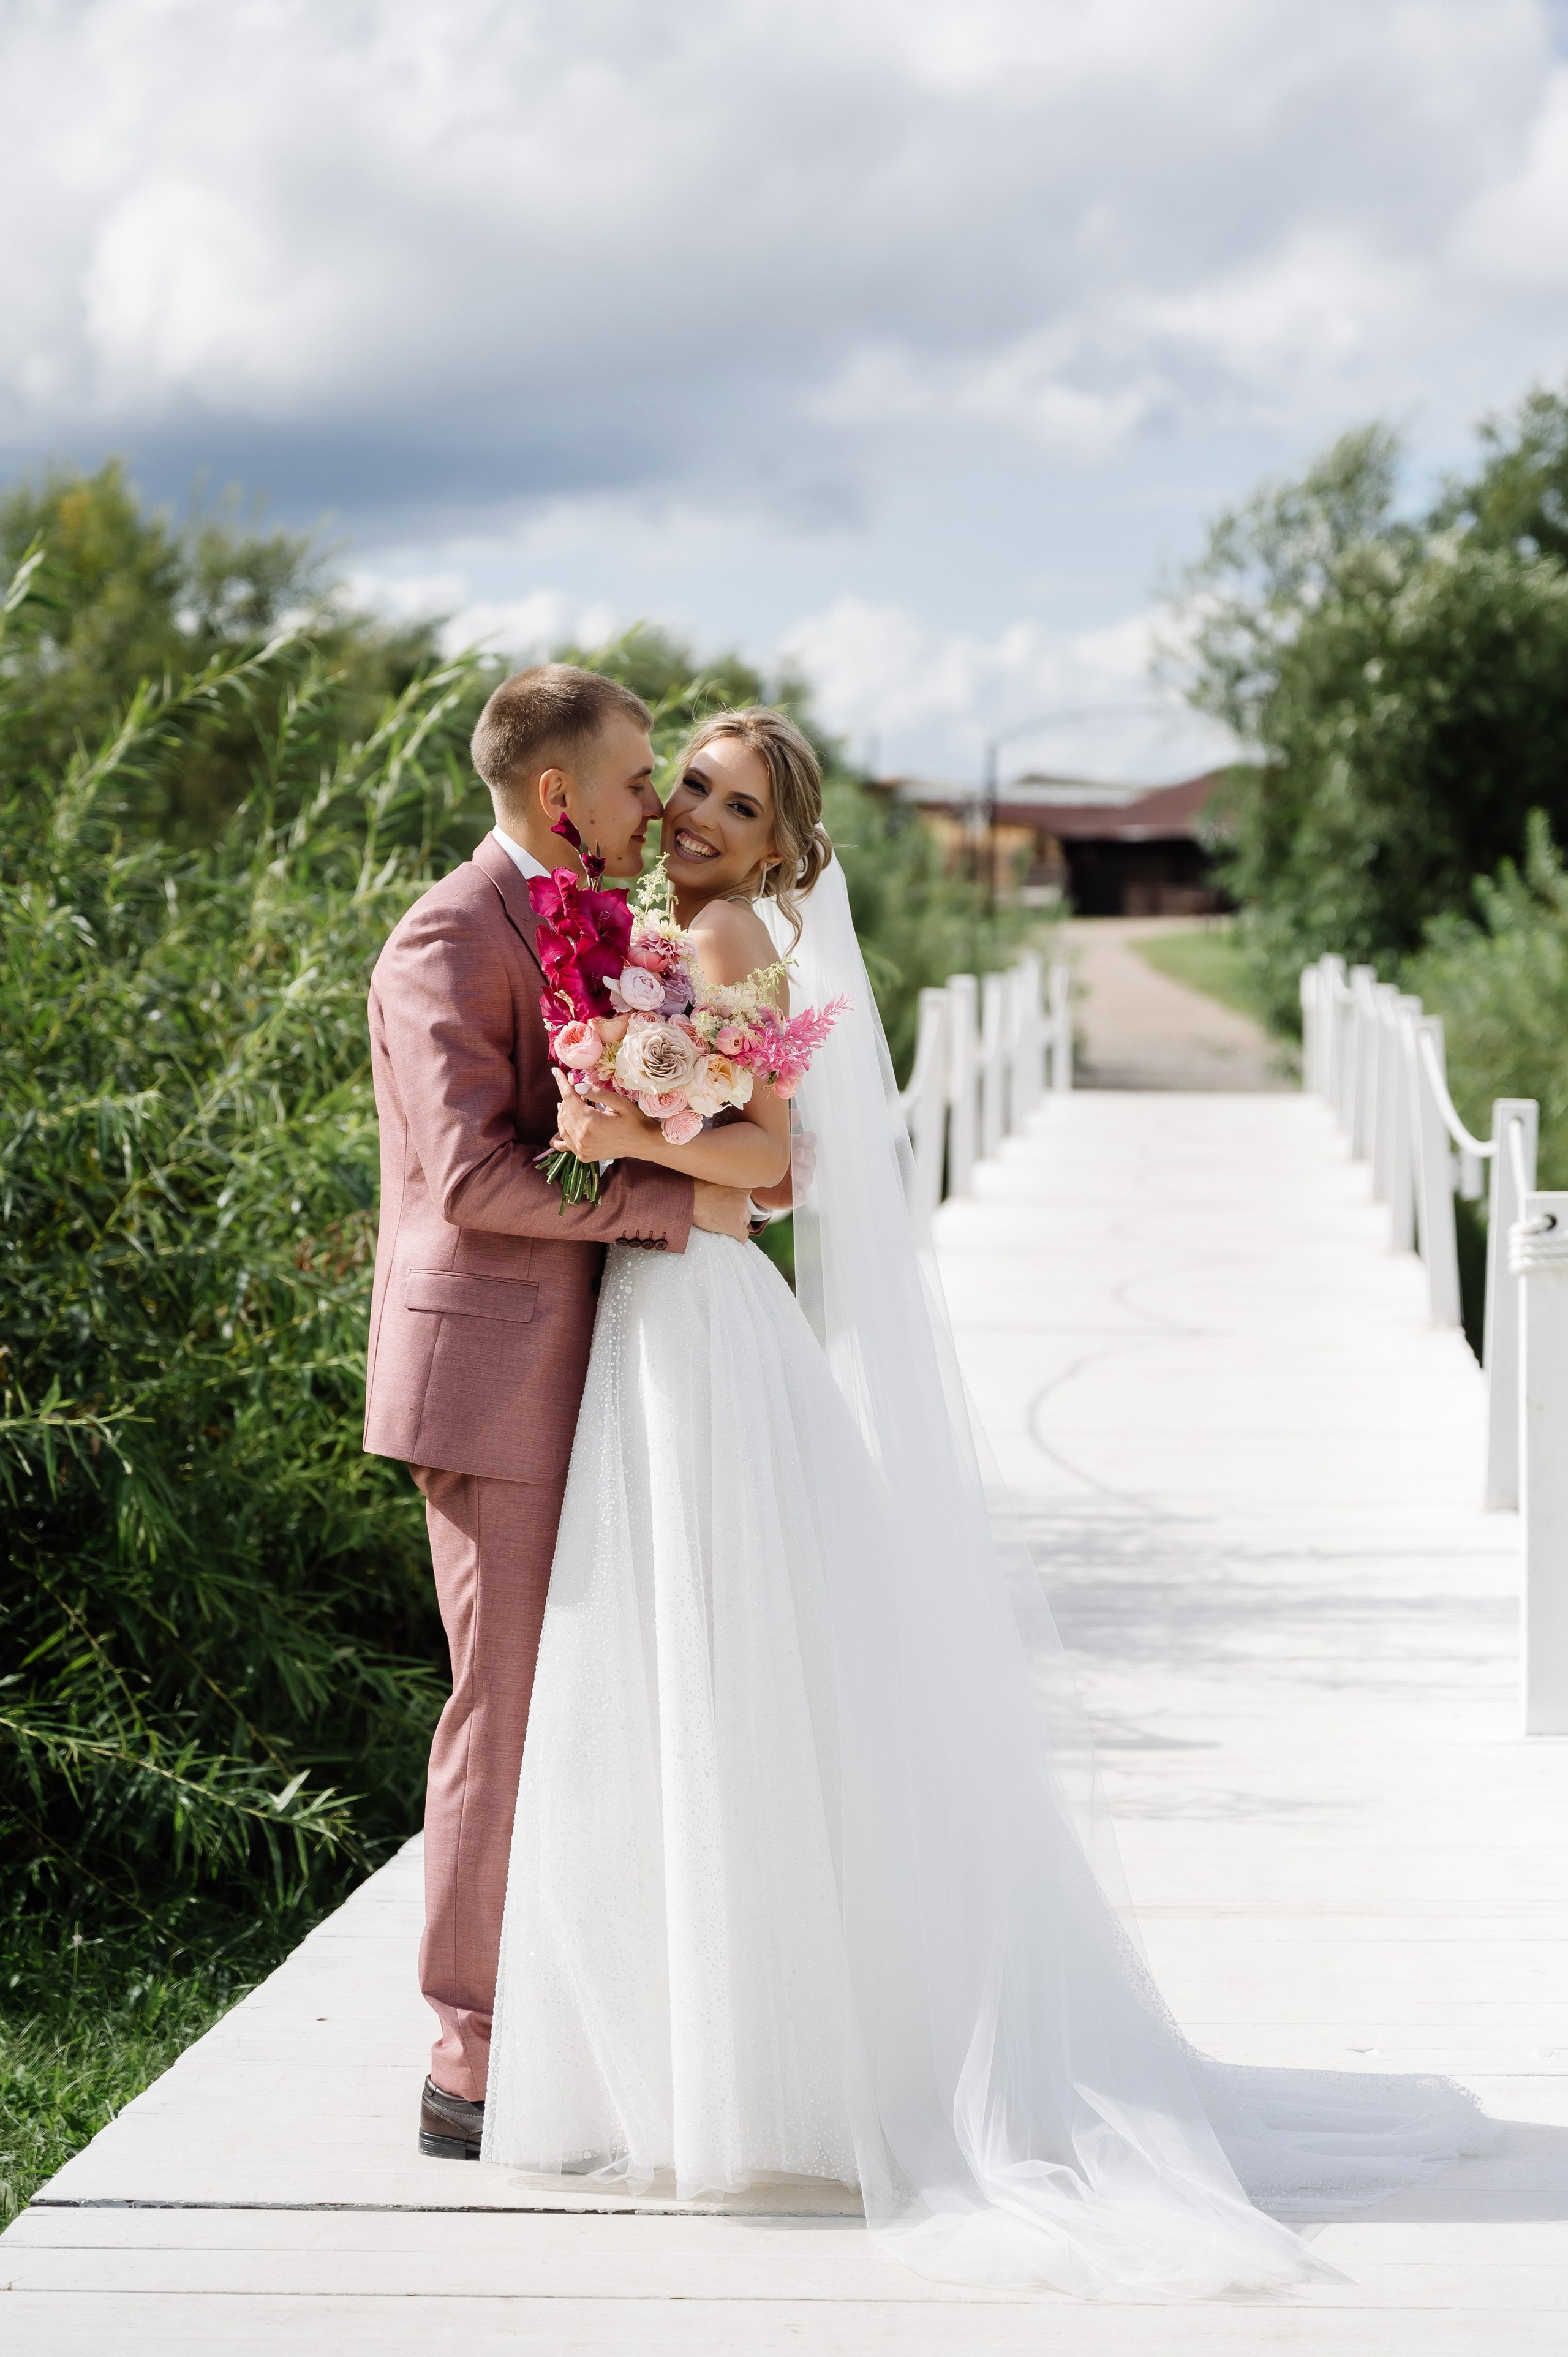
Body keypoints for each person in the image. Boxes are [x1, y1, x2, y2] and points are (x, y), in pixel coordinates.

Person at [480, 705, 1491, 2296]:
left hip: (703, 1323)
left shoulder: (729, 930)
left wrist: (608, 1121)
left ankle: (753, 2074)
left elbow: (776, 1162)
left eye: (730, 805)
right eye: (687, 782)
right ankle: (697, 2058)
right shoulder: (660, 923)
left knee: (723, 1683)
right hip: (651, 1321)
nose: (691, 813)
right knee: (695, 1682)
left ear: (774, 843)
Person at [363, 665, 771, 2159]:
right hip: (486, 1379)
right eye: (635, 779)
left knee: (602, 1701)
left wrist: (727, 1141)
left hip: (601, 1368)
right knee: (504, 1705)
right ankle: (466, 2053)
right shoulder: (446, 934)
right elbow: (468, 1178)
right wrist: (675, 1202)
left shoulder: (604, 921)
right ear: (558, 799)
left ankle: (588, 2010)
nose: (655, 802)